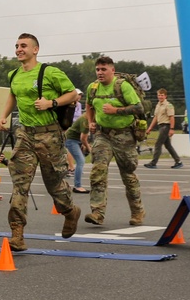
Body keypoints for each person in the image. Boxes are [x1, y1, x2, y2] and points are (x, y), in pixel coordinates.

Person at [0, 33, 81, 251]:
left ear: (35, 49)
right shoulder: (14, 74)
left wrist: (51, 102)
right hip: (25, 134)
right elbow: (13, 96)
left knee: (53, 184)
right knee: (20, 184)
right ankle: (17, 233)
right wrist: (4, 115)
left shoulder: (50, 72)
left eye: (23, 45)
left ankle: (70, 211)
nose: (18, 49)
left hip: (50, 134)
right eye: (16, 45)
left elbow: (72, 94)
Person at [85, 56, 145, 226]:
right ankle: (97, 212)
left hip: (124, 135)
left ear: (112, 70)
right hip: (103, 135)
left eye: (104, 69)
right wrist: (91, 121)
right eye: (97, 69)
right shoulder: (93, 87)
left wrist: (115, 110)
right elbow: (88, 105)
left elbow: (138, 108)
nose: (100, 73)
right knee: (97, 171)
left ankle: (137, 211)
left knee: (128, 174)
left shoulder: (122, 86)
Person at [144, 88, 183, 169]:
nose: (160, 97)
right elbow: (155, 117)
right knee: (168, 145)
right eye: (159, 95)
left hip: (166, 126)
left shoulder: (168, 105)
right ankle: (178, 161)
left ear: (165, 96)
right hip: (160, 125)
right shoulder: (158, 105)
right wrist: (150, 128)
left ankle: (153, 163)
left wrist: (172, 129)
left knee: (158, 144)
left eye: (162, 95)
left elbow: (171, 117)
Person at [65, 113, 91, 194]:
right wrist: (88, 148)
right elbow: (83, 138)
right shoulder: (85, 121)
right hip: (71, 139)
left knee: (81, 159)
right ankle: (78, 186)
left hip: (76, 139)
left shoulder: (89, 118)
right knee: (81, 161)